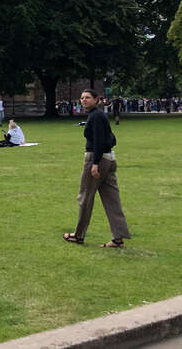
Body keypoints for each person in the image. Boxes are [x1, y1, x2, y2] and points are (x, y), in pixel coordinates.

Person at [63, 89, 130, 248]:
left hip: (97, 160)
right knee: (112, 199)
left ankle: (78, 236)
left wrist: (95, 163)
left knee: (85, 197)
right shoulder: (98, 115)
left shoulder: (96, 116)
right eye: (81, 98)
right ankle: (118, 238)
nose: (83, 100)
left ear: (96, 99)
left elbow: (100, 140)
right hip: (109, 159)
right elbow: (112, 139)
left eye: (87, 97)